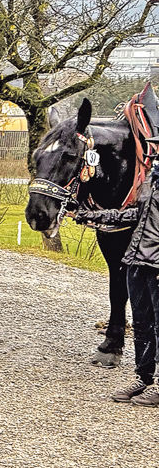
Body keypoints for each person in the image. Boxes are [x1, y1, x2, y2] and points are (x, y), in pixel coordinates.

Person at [78, 169, 159, 405]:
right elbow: (134, 215)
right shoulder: (150, 183)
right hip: (137, 262)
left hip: (156, 264)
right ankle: (143, 378)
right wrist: (96, 216)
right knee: (142, 325)